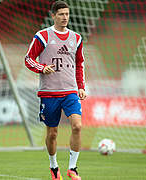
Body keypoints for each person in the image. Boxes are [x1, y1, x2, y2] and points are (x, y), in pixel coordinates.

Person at [24, 1, 86, 180]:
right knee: (52, 134)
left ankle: (73, 168)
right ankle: (54, 166)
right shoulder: (43, 36)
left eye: (67, 14)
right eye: (61, 14)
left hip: (70, 91)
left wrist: (81, 87)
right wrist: (42, 68)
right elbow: (28, 59)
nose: (65, 17)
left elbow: (79, 64)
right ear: (53, 16)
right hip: (49, 93)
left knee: (77, 126)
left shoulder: (76, 38)